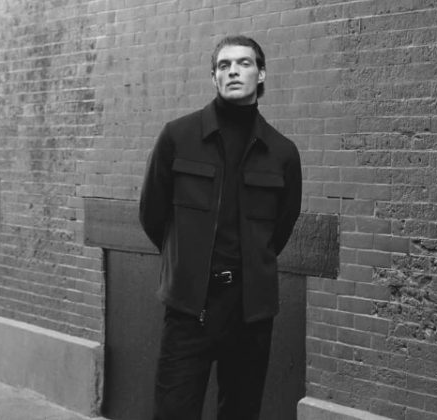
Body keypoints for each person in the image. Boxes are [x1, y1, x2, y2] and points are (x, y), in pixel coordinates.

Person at [139, 35, 302, 420]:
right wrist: (187, 262)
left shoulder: (282, 152)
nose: (233, 71)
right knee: (173, 411)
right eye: (224, 65)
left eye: (244, 63)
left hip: (250, 311)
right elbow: (152, 214)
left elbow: (280, 229)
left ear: (261, 74)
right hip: (189, 306)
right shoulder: (177, 137)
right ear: (214, 77)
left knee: (241, 412)